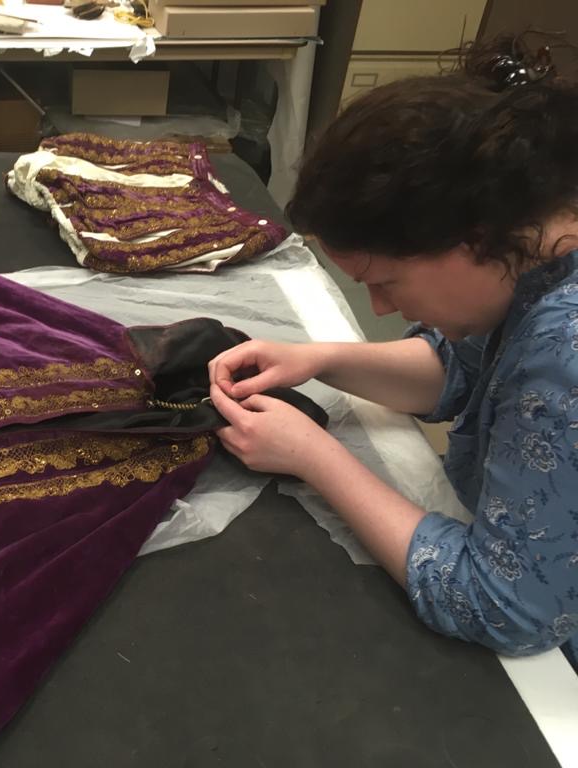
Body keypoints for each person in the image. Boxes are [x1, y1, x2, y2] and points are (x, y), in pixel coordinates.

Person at [208, 35, 578, 669]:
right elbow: (460, 371)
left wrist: (314, 457)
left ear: (473, 241)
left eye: (386, 282)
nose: (377, 310)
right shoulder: (532, 244)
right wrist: (321, 360)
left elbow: (503, 607)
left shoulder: (565, 352)